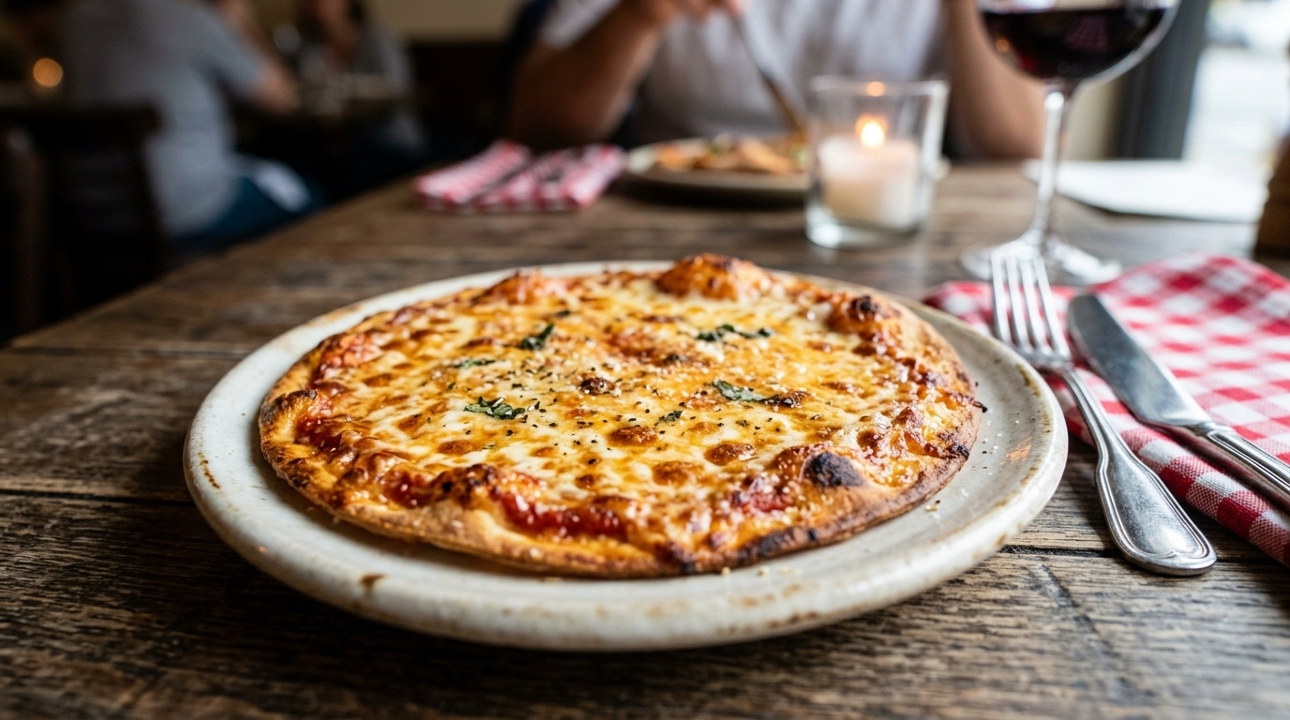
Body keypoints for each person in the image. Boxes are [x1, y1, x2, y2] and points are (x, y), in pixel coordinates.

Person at [508, 0, 1045, 159]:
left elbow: (1018, 143)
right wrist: (641, 13)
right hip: (668, 223)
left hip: (890, 234)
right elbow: (536, 125)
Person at [60, 0, 318, 255]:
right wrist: (241, 22)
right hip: (184, 216)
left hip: (91, 216)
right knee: (313, 202)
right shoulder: (188, 18)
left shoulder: (73, 20)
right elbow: (281, 97)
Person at [294, 0, 426, 196]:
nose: (317, 4)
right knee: (302, 167)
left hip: (388, 139)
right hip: (334, 142)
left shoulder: (378, 37)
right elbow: (302, 87)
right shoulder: (309, 44)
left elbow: (398, 88)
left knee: (348, 174)